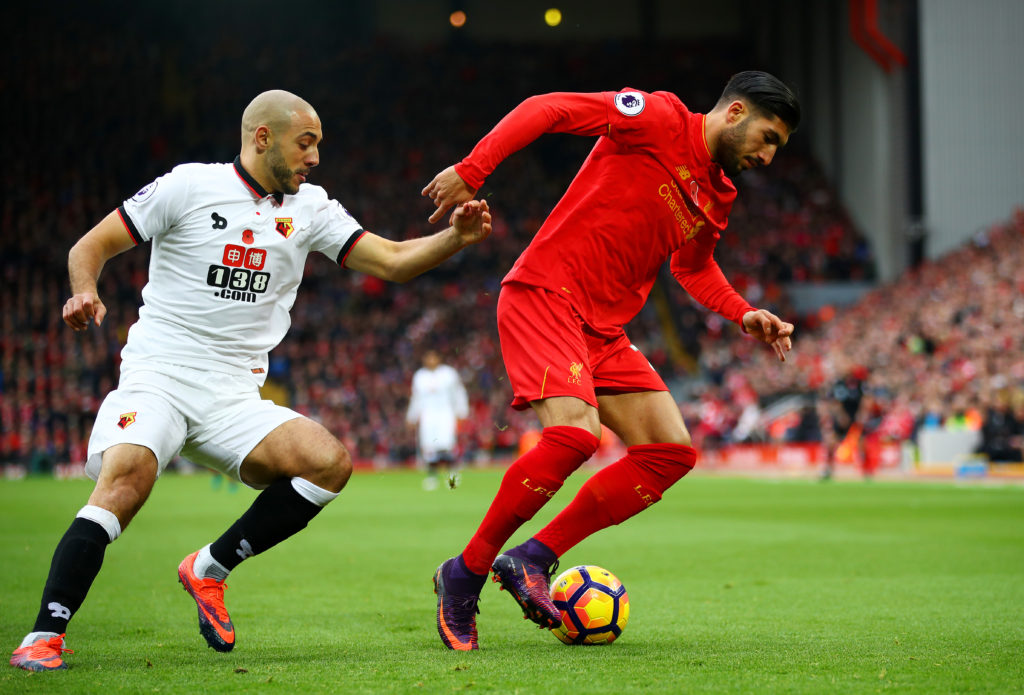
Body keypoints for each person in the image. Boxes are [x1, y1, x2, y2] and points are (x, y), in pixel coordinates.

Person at [9, 89, 491, 672]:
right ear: (263, 137)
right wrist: (84, 289)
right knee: (125, 481)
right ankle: (45, 634)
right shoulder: (187, 186)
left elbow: (390, 260)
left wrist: (455, 240)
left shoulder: (312, 208)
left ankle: (207, 568)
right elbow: (92, 245)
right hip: (159, 373)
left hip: (233, 393)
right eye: (305, 143)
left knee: (328, 462)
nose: (314, 158)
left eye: (319, 145)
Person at [422, 71, 799, 650]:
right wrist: (473, 170)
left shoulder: (718, 195)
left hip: (604, 331)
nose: (768, 156)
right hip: (546, 294)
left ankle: (533, 556)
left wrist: (742, 312)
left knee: (670, 452)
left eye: (778, 147)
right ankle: (465, 573)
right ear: (735, 112)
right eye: (767, 137)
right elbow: (547, 106)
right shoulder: (657, 117)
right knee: (576, 436)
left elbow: (692, 268)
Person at [407, 349, 470, 490]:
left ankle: (452, 477)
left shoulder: (448, 374)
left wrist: (462, 411)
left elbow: (459, 393)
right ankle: (432, 477)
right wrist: (412, 416)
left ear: (438, 358)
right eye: (428, 358)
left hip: (445, 413)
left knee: (447, 446)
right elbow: (416, 398)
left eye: (433, 357)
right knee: (429, 448)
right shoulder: (420, 376)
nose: (430, 360)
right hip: (427, 415)